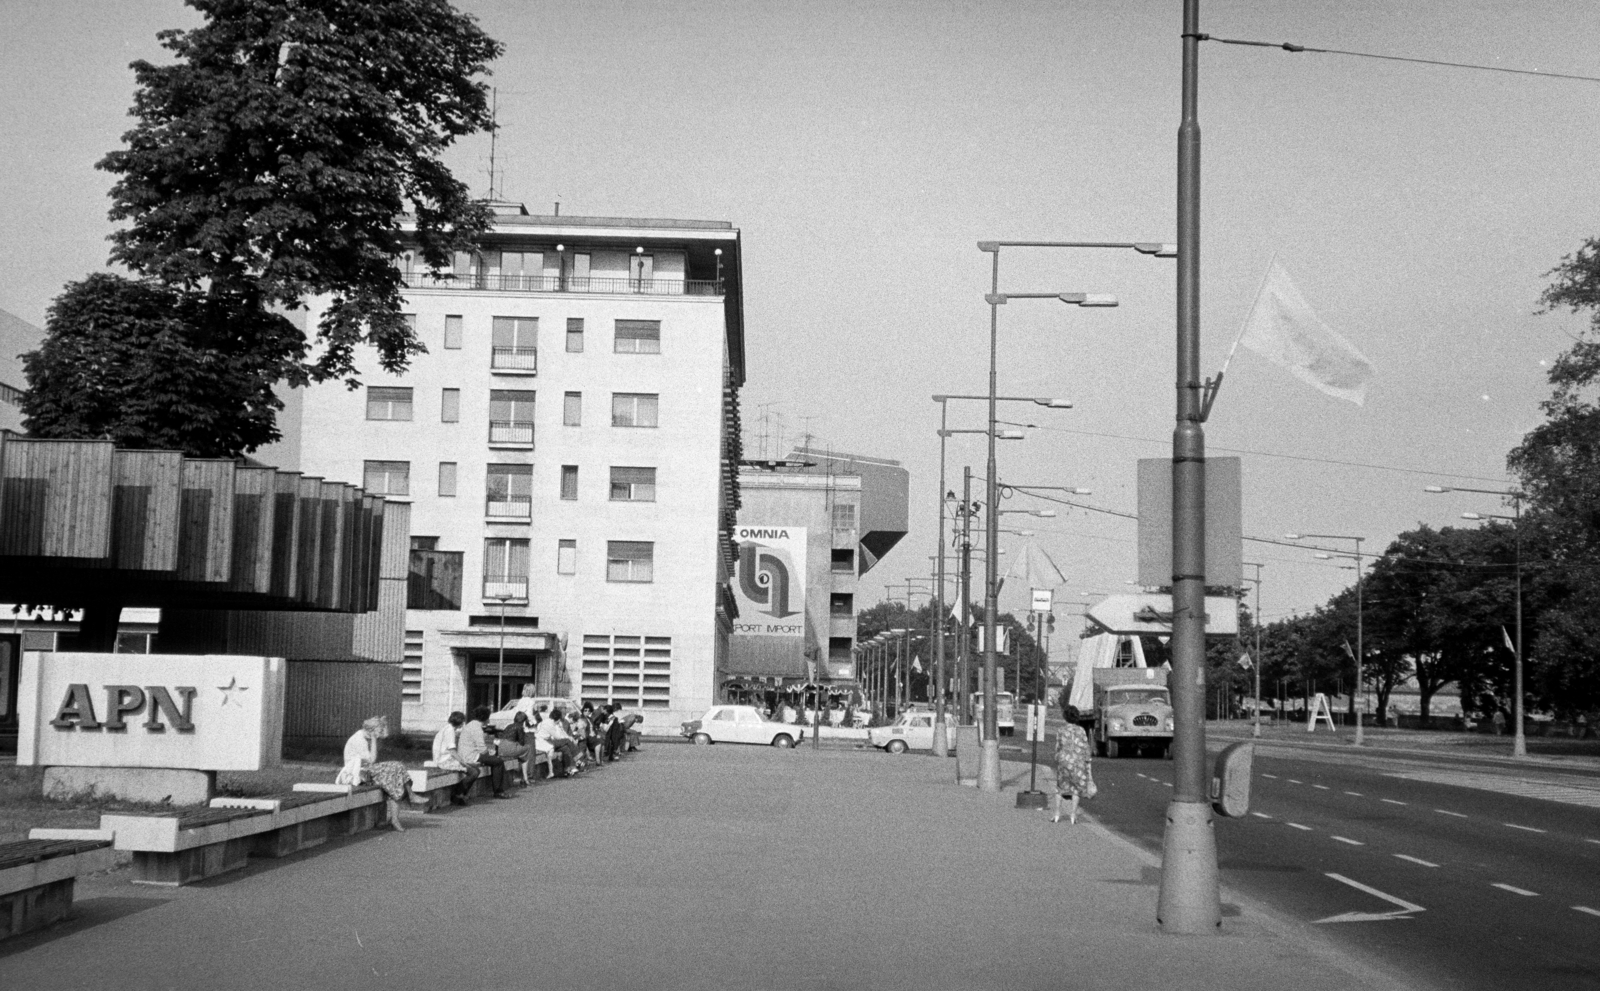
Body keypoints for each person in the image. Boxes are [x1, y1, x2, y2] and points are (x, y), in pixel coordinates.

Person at [337, 715, 411, 830]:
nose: (380, 733)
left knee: (397, 769)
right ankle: (396, 817)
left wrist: (383, 726)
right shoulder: (359, 740)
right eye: (379, 731)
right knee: (395, 772)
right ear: (371, 731)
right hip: (356, 774)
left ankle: (395, 817)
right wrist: (374, 740)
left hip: (366, 771)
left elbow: (385, 735)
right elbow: (372, 760)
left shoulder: (365, 735)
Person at [1052, 705, 1096, 825]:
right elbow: (1086, 748)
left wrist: (1058, 758)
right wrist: (1088, 764)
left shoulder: (1061, 730)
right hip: (1078, 763)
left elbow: (1058, 747)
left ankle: (1056, 814)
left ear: (1065, 717)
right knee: (1076, 790)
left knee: (1060, 789)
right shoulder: (1081, 730)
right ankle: (1073, 816)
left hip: (1064, 762)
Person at [459, 705, 510, 798]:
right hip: (471, 755)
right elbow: (482, 749)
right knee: (498, 762)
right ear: (485, 717)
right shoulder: (477, 728)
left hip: (465, 753)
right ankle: (498, 791)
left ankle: (500, 789)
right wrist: (490, 755)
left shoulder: (471, 724)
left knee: (495, 759)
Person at [432, 711, 478, 805]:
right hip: (444, 760)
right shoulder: (450, 731)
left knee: (475, 770)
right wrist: (462, 762)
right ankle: (457, 794)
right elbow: (452, 751)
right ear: (460, 722)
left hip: (442, 758)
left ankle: (461, 794)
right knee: (473, 772)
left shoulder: (447, 728)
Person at [536, 706, 584, 776]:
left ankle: (568, 769)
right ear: (557, 718)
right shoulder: (549, 724)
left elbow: (562, 733)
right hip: (543, 743)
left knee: (565, 748)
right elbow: (557, 737)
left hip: (549, 741)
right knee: (567, 741)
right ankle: (578, 760)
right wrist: (567, 737)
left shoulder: (553, 723)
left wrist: (568, 736)